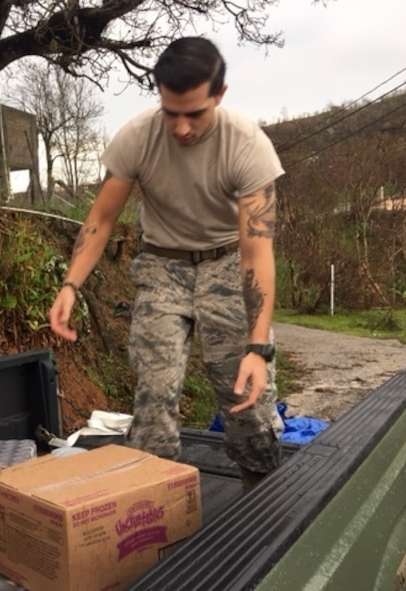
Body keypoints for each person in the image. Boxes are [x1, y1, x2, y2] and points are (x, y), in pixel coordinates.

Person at [48, 36, 285, 490]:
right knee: (154, 397)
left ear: (219, 94)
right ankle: (155, 515)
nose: (180, 127)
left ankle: (263, 506)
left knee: (246, 402)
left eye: (194, 113)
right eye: (170, 111)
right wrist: (70, 285)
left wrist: (258, 348)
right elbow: (100, 219)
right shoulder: (138, 137)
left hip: (227, 263)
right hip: (162, 266)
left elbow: (257, 251)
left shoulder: (248, 145)